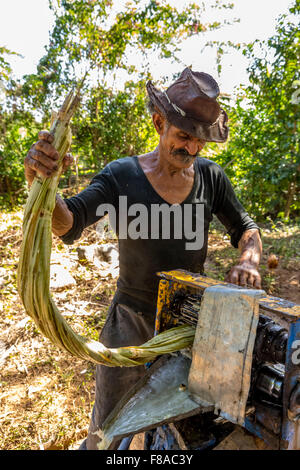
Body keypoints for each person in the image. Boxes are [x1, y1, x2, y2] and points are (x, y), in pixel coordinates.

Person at [24, 68, 262, 450]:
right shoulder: (122, 176)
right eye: (184, 136)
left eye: (201, 140)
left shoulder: (211, 179)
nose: (193, 149)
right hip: (129, 321)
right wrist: (43, 185)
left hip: (188, 325)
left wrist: (249, 260)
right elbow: (69, 223)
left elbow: (246, 228)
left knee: (182, 420)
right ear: (158, 122)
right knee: (108, 429)